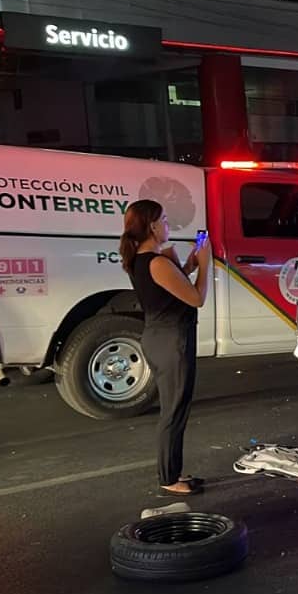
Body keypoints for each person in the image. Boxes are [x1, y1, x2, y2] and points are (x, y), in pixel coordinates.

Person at [118, 199, 212, 496]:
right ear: (152, 226)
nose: (169, 225)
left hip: (161, 337)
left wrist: (187, 265)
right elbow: (196, 299)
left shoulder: (146, 259)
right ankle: (169, 478)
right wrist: (205, 266)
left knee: (175, 408)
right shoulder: (157, 262)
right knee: (173, 410)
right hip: (172, 340)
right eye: (165, 220)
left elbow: (168, 292)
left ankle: (173, 470)